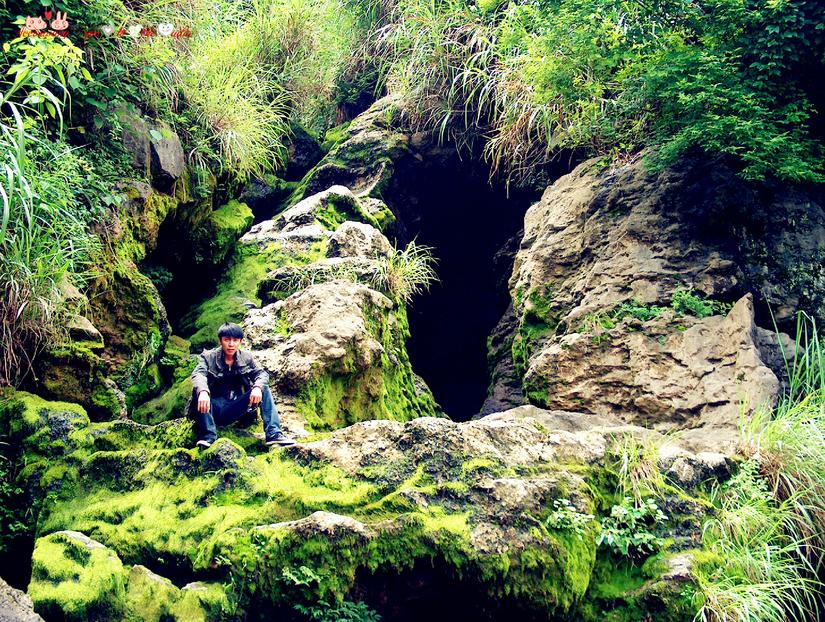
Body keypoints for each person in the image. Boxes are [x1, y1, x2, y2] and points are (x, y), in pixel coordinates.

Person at [190, 322, 295, 448]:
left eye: (235, 340)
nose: (231, 344)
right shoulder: (208, 357)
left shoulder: (246, 358)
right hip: (211, 408)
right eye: (227, 340)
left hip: (232, 408)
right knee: (198, 392)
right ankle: (208, 436)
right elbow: (198, 375)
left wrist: (257, 388)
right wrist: (203, 392)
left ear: (240, 341)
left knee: (263, 388)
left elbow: (261, 374)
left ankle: (273, 434)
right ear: (220, 341)